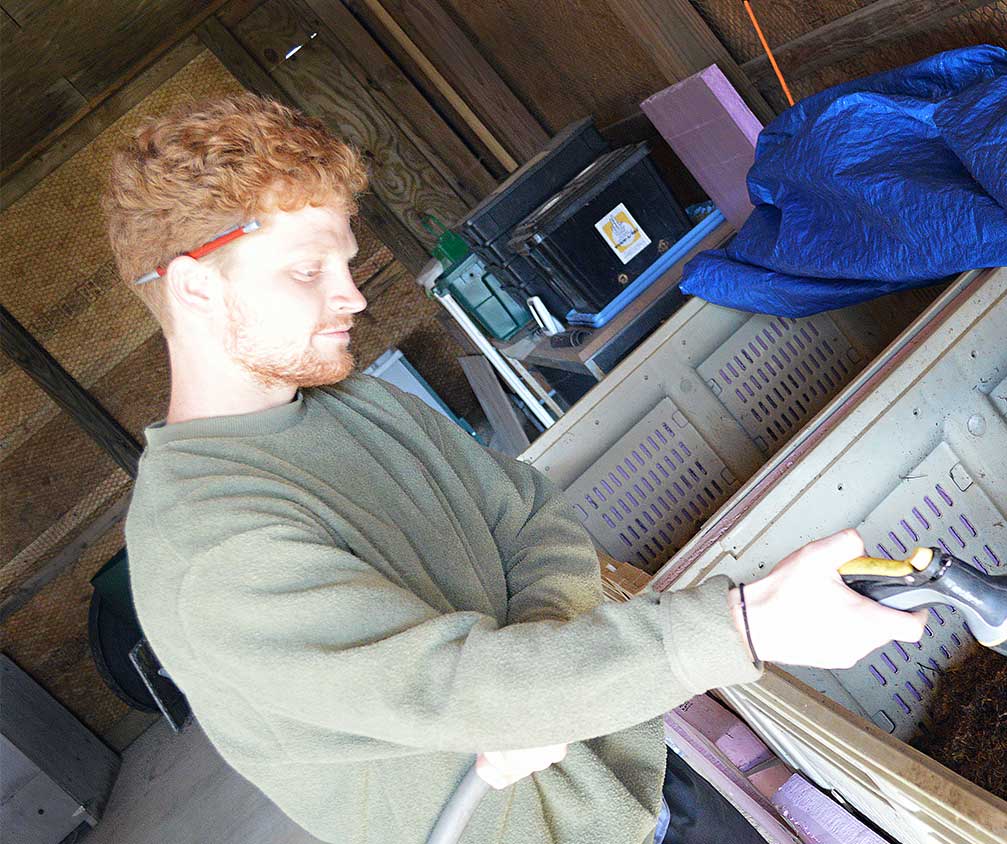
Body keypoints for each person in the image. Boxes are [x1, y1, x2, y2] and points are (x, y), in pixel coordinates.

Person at [104, 93, 927, 844]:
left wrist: (542, 681)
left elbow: (533, 516)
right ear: (196, 290)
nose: (352, 296)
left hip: (631, 762)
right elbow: (452, 685)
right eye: (307, 269)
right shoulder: (210, 550)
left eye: (346, 264)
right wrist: (745, 624)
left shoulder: (354, 404)